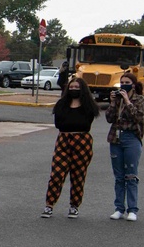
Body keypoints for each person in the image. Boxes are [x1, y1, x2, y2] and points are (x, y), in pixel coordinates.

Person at [41, 77, 100, 219]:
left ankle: (74, 205)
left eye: (77, 87)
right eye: (71, 87)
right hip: (64, 140)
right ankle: (49, 204)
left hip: (82, 141)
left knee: (78, 175)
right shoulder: (62, 104)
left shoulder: (88, 106)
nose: (74, 90)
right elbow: (58, 123)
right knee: (57, 173)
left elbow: (86, 122)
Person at [105, 72, 144, 221]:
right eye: (122, 82)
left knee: (131, 175)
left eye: (127, 82)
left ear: (133, 84)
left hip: (131, 138)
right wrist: (112, 102)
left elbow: (137, 117)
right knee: (119, 176)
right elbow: (109, 118)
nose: (123, 84)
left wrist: (128, 101)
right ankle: (119, 208)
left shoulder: (139, 99)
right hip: (116, 138)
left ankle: (132, 209)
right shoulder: (117, 100)